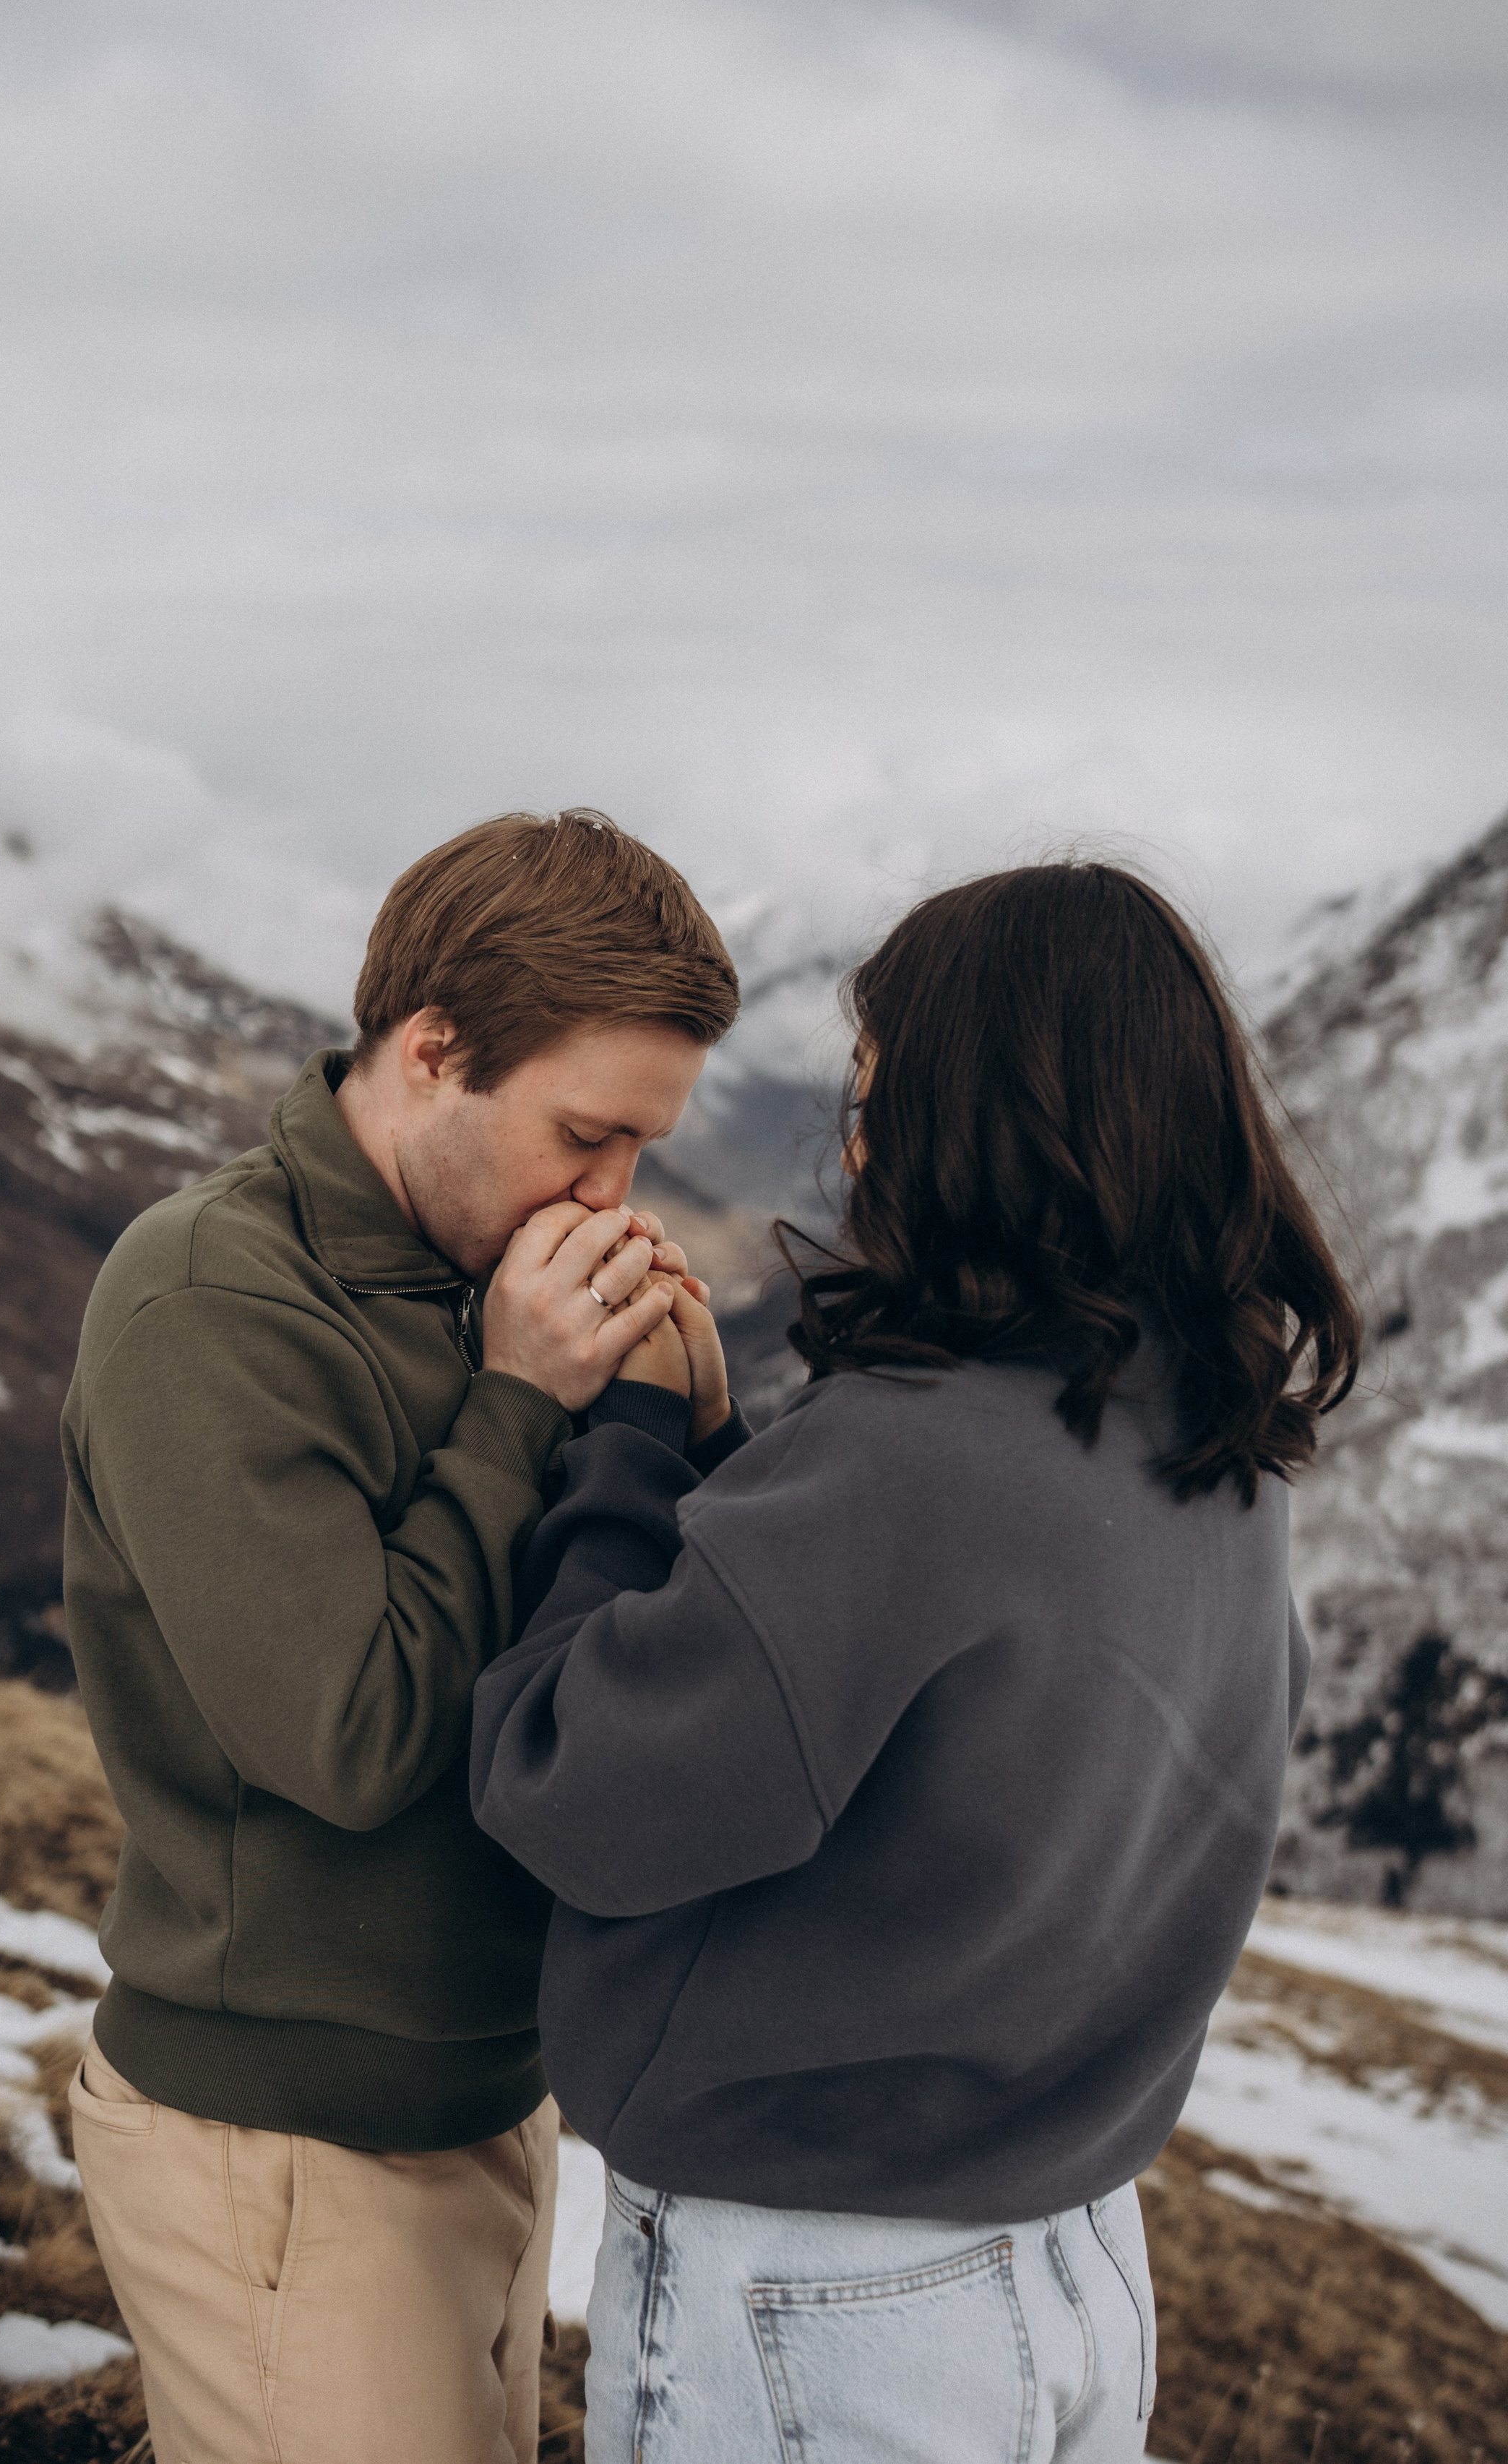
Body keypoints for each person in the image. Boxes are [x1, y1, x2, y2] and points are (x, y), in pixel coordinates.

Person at [471, 862, 1361, 2464]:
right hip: (1075, 2253)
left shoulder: (907, 1458)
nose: (856, 1142)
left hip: (821, 2286)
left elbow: (573, 1784)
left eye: (877, 1097)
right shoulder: (1214, 1444)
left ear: (979, 1121)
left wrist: (621, 1444)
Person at [60, 810, 738, 2464]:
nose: (610, 1195)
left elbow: (609, 1681)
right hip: (282, 2142)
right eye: (583, 1133)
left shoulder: (491, 1270)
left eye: (641, 1149)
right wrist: (517, 1403)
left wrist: (688, 1446)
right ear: (431, 1050)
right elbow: (353, 1736)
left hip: (488, 2107)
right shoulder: (209, 1300)